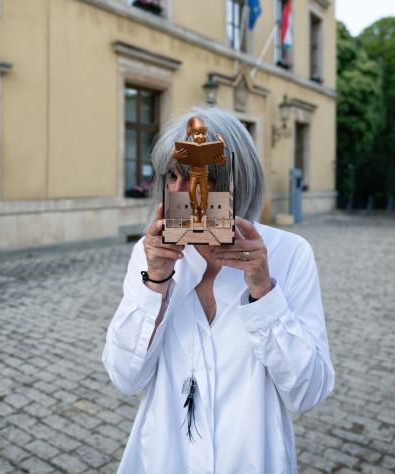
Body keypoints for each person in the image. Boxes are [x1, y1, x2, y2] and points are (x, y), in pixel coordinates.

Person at [103, 106, 334, 474]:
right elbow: (125, 377)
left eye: (200, 178)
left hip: (252, 458)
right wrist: (156, 283)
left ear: (235, 183)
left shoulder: (289, 254)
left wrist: (263, 290)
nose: (182, 192)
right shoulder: (150, 256)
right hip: (164, 457)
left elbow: (307, 393)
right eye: (172, 177)